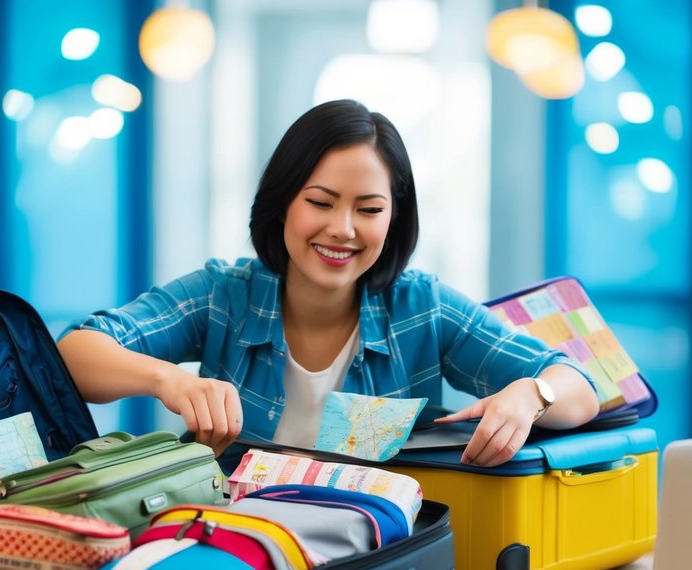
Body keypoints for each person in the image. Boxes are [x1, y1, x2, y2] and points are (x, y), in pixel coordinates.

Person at [58, 99, 599, 468]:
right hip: (236, 554)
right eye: (320, 202)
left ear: (394, 219)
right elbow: (76, 355)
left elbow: (581, 388)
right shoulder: (224, 295)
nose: (342, 230)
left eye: (369, 209)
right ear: (283, 202)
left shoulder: (423, 309)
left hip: (375, 568)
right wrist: (169, 382)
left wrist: (533, 393)